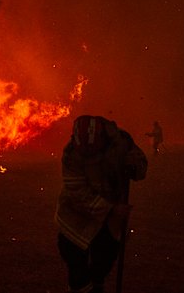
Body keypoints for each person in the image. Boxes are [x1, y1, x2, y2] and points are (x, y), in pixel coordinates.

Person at [55, 115, 147, 293]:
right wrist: (111, 210)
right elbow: (77, 193)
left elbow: (141, 169)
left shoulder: (122, 143)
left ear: (102, 139)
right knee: (76, 265)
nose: (87, 154)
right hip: (75, 219)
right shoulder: (71, 153)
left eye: (92, 150)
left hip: (109, 223)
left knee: (102, 264)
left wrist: (134, 165)